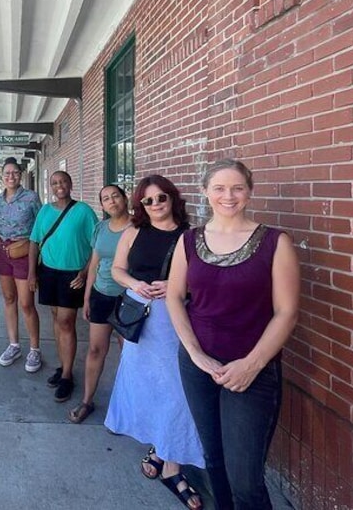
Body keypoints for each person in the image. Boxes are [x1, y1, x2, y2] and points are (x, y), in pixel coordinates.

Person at [167, 160, 299, 510]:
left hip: (252, 372)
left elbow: (287, 312)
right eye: (220, 188)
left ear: (250, 191)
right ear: (206, 191)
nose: (229, 195)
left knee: (245, 478)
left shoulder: (275, 242)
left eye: (238, 187)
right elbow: (174, 297)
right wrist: (195, 353)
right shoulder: (189, 241)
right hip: (199, 366)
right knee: (214, 460)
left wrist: (252, 365)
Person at [104, 175, 204, 510]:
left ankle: (171, 467)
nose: (156, 205)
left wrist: (180, 289)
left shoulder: (191, 237)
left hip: (174, 319)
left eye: (162, 198)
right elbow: (117, 269)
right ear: (141, 205)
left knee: (177, 389)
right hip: (139, 319)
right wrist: (136, 282)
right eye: (148, 201)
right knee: (149, 387)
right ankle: (161, 446)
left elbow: (203, 282)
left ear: (173, 199)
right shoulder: (134, 231)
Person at [28, 171, 98, 402]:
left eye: (63, 181)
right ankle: (62, 365)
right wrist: (31, 274)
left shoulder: (83, 211)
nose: (59, 186)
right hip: (48, 272)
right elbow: (34, 242)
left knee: (67, 322)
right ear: (50, 186)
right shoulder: (45, 211)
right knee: (56, 319)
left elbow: (96, 246)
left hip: (72, 275)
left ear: (70, 184)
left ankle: (67, 375)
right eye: (55, 182)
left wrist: (86, 271)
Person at [69, 184, 130, 423]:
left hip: (129, 299)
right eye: (106, 199)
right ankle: (87, 401)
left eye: (116, 196)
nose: (112, 201)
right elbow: (93, 265)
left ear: (125, 199)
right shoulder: (101, 228)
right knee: (95, 350)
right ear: (102, 206)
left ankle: (128, 405)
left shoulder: (139, 228)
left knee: (129, 354)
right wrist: (86, 298)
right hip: (101, 295)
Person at [0, 157, 43, 372]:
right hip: (1, 251)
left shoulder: (31, 198)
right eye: (7, 173)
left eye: (15, 173)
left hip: (23, 253)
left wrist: (35, 259)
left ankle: (35, 349)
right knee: (9, 298)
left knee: (26, 303)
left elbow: (40, 227)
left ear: (21, 175)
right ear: (1, 176)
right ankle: (14, 345)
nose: (11, 176)